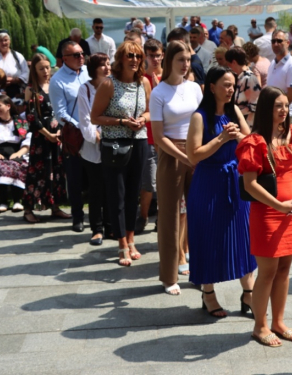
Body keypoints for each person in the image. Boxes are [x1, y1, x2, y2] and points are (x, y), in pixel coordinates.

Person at [237, 86, 292, 347]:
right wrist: (278, 204)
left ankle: (278, 321)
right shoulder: (254, 141)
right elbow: (249, 184)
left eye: (286, 105)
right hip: (268, 212)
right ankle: (260, 325)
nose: (284, 110)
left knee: (285, 270)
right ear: (267, 108)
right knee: (267, 272)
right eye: (278, 106)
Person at [186, 66, 256, 316]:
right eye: (226, 84)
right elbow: (193, 155)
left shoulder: (234, 110)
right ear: (212, 87)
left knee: (244, 238)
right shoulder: (199, 116)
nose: (230, 89)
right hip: (208, 183)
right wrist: (220, 140)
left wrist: (237, 138)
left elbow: (251, 144)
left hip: (234, 183)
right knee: (208, 238)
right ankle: (208, 293)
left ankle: (248, 293)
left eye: (233, 85)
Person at [90, 41, 152, 266]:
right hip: (115, 144)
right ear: (121, 59)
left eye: (137, 56)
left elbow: (149, 110)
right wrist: (122, 121)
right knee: (116, 195)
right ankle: (121, 244)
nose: (134, 60)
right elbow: (94, 117)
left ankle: (132, 239)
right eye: (129, 56)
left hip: (139, 142)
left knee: (133, 193)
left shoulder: (143, 82)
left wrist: (142, 120)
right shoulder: (109, 84)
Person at [149, 40, 203, 294]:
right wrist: (183, 157)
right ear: (170, 60)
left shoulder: (194, 88)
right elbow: (159, 137)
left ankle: (202, 269)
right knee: (169, 217)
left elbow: (203, 122)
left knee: (199, 212)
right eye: (181, 59)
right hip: (170, 156)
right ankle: (169, 276)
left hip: (196, 150)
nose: (186, 64)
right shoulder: (159, 92)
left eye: (189, 60)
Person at [23, 54, 69, 223]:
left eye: (47, 67)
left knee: (56, 171)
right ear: (34, 70)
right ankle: (28, 208)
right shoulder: (31, 89)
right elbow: (31, 117)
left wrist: (59, 133)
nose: (45, 71)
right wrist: (47, 134)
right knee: (37, 172)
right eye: (41, 68)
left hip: (56, 136)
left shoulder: (54, 85)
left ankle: (55, 207)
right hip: (41, 138)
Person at [49, 41, 90, 232]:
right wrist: (80, 127)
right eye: (76, 55)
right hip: (75, 136)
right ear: (65, 58)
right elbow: (60, 113)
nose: (81, 57)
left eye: (82, 53)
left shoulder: (88, 72)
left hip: (94, 132)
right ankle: (78, 217)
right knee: (74, 178)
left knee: (96, 177)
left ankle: (97, 217)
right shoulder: (57, 80)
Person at [77, 53, 112, 245]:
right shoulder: (85, 90)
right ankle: (97, 229)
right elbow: (85, 121)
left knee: (111, 188)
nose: (107, 68)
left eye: (108, 64)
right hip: (93, 147)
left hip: (112, 146)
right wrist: (99, 137)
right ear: (93, 68)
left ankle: (110, 226)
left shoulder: (112, 86)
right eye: (102, 65)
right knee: (96, 189)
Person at [135, 39, 163, 235]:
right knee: (149, 183)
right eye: (150, 55)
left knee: (164, 183)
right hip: (149, 137)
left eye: (157, 55)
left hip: (167, 137)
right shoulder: (141, 79)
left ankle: (161, 218)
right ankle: (143, 216)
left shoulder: (168, 78)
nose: (154, 59)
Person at [0, 95, 30, 213]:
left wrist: (19, 153)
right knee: (1, 166)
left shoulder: (20, 121)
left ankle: (17, 200)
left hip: (16, 151)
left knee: (18, 165)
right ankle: (2, 201)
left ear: (8, 106)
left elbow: (27, 140)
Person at [266, 30, 292, 125]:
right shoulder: (273, 63)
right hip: (274, 115)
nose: (276, 44)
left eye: (279, 41)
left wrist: (274, 109)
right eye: (273, 41)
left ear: (287, 43)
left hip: (288, 115)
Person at [225, 47, 261, 127]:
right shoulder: (239, 77)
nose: (228, 67)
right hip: (239, 123)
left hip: (249, 126)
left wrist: (235, 114)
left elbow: (255, 106)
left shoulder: (249, 78)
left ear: (234, 62)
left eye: (228, 64)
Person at [0, 30, 29, 99]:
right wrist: (3, 82)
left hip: (16, 90)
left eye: (5, 40)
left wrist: (15, 80)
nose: (3, 43)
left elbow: (26, 72)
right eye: (0, 41)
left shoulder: (17, 56)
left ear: (9, 41)